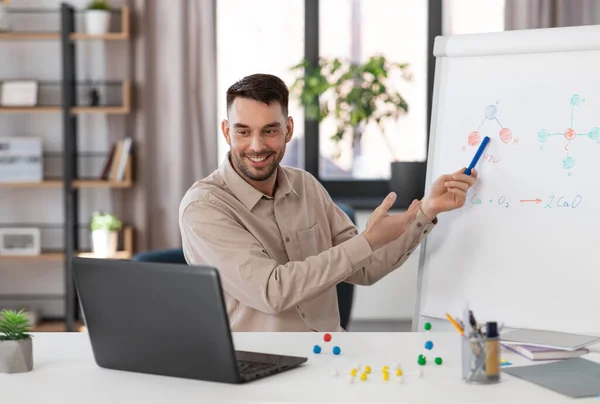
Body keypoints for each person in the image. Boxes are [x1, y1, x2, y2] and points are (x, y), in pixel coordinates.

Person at [179, 73, 477, 332]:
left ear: (288, 130)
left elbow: (365, 267)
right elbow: (271, 291)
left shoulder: (305, 186)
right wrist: (368, 241)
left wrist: (427, 210)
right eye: (243, 131)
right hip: (260, 367)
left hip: (329, 354)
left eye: (270, 130)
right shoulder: (204, 207)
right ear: (226, 131)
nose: (257, 146)